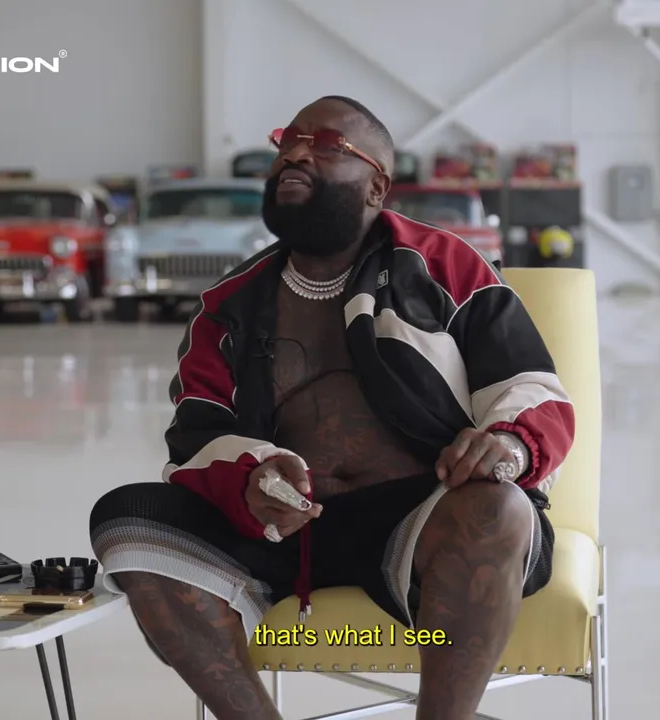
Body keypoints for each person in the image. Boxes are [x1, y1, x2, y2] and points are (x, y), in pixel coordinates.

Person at [89, 96, 575, 720]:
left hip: (424, 520)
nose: (294, 153)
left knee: (496, 508)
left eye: (324, 144)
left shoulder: (445, 265)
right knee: (128, 518)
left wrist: (506, 443)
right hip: (280, 532)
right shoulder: (228, 304)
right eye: (287, 142)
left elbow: (533, 388)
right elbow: (195, 438)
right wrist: (251, 476)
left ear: (376, 186)